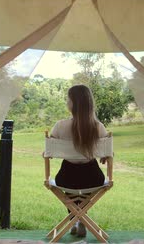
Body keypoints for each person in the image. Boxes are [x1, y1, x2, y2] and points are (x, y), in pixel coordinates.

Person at [50, 84, 108, 237]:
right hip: (93, 178)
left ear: (73, 103)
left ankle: (75, 219)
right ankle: (79, 220)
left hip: (66, 178)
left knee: (70, 192)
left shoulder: (59, 126)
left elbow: (48, 152)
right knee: (83, 194)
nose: (66, 102)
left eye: (67, 99)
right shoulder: (99, 127)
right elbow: (108, 153)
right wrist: (104, 155)